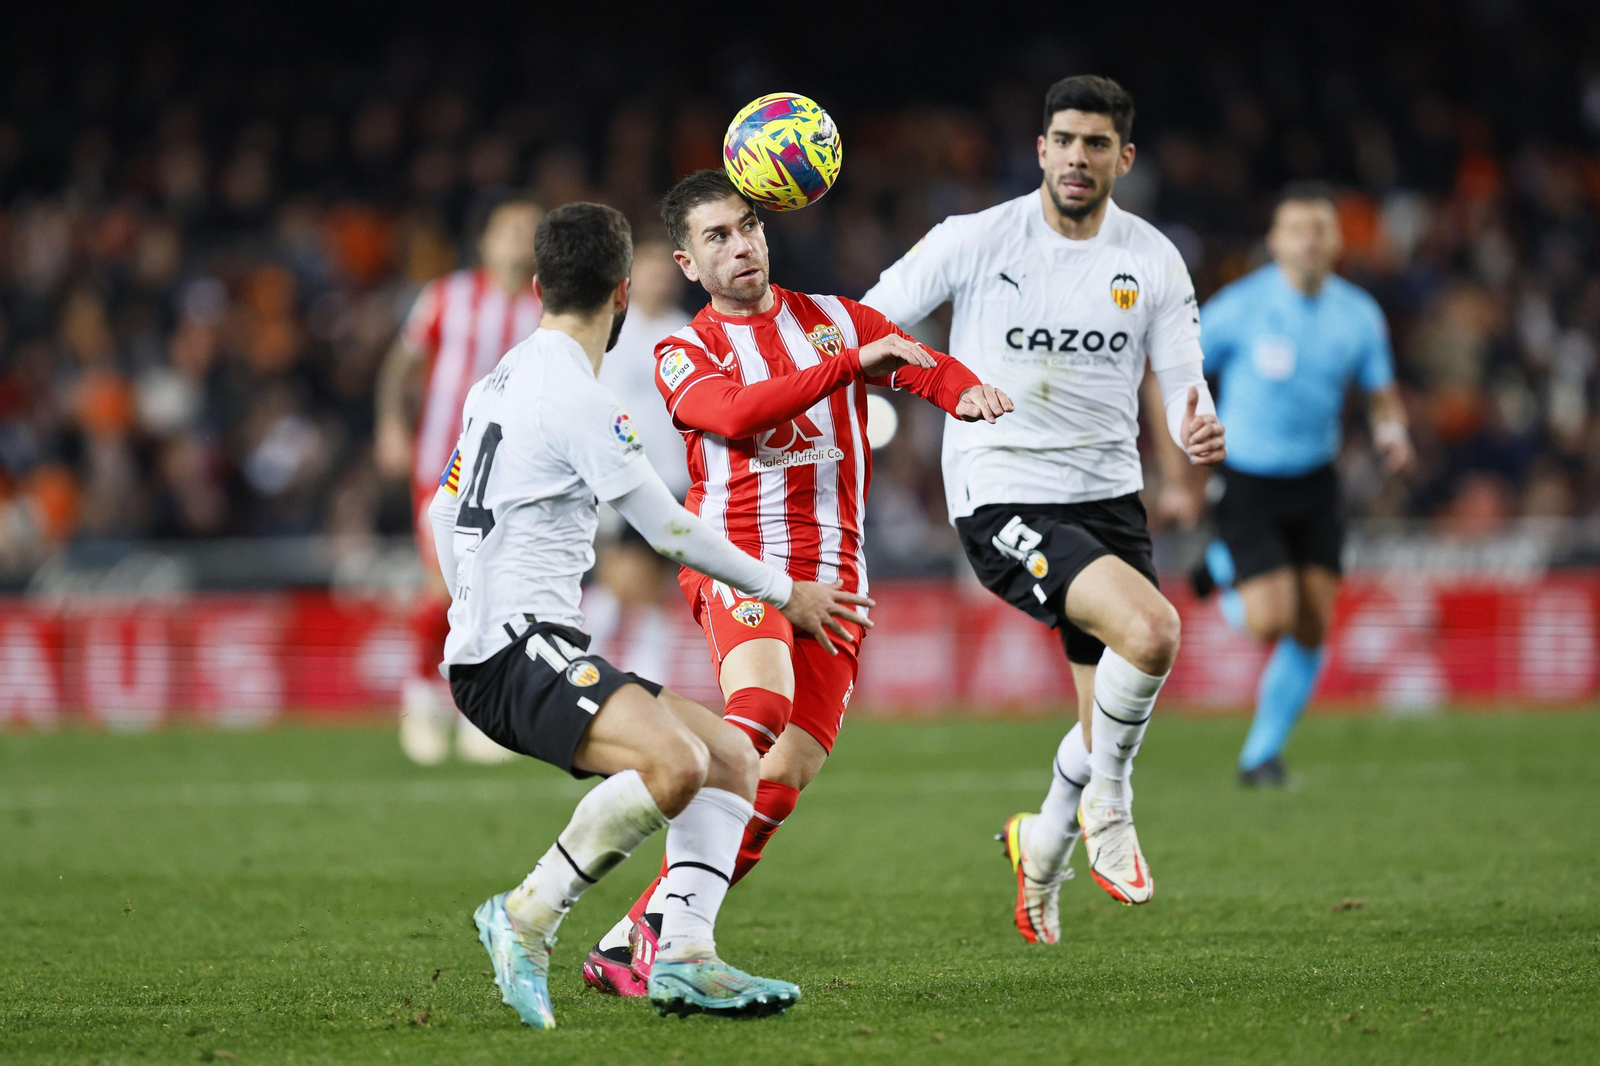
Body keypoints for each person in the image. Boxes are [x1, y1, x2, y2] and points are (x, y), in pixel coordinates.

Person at [432, 202, 872, 1025]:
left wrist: (468, 589)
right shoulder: (577, 395)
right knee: (675, 764)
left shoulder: (502, 377)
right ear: (625, 293)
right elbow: (668, 527)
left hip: (515, 644)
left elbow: (440, 507)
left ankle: (684, 956)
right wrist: (786, 592)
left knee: (734, 757)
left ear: (538, 288)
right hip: (512, 654)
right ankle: (526, 916)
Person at [583, 169, 1013, 996]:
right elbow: (738, 415)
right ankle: (598, 867)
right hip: (739, 564)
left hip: (838, 583)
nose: (741, 244)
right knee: (759, 714)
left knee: (781, 780)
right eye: (717, 236)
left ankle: (637, 934)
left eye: (748, 225)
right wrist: (855, 365)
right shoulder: (684, 348)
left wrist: (967, 393)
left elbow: (923, 364)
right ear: (685, 262)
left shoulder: (831, 318)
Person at [863, 75, 1226, 944]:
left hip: (1109, 499)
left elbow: (1182, 383)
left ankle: (1042, 847)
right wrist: (929, 382)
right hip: (1002, 491)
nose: (1076, 156)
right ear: (1039, 150)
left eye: (1096, 144)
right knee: (1153, 632)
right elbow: (869, 322)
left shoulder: (1153, 258)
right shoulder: (977, 240)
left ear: (1123, 159)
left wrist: (1197, 426)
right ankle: (1111, 807)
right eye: (1063, 139)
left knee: (1098, 716)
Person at [1186, 181, 1411, 786]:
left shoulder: (1359, 314)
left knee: (1313, 622)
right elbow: (1181, 366)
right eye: (1298, 229)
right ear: (1275, 241)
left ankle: (1260, 756)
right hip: (1249, 480)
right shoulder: (1241, 306)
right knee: (1269, 619)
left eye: (1320, 229)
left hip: (1316, 479)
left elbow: (1381, 390)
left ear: (1337, 241)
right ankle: (1222, 562)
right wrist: (1185, 450)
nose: (1310, 240)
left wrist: (1393, 433)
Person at [376, 196, 544, 765]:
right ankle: (422, 700)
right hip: (442, 464)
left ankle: (481, 713)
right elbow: (400, 364)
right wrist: (391, 426)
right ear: (487, 241)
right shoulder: (447, 296)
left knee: (498, 591)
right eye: (510, 228)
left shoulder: (552, 304)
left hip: (518, 471)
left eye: (530, 230)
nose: (521, 238)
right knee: (445, 590)